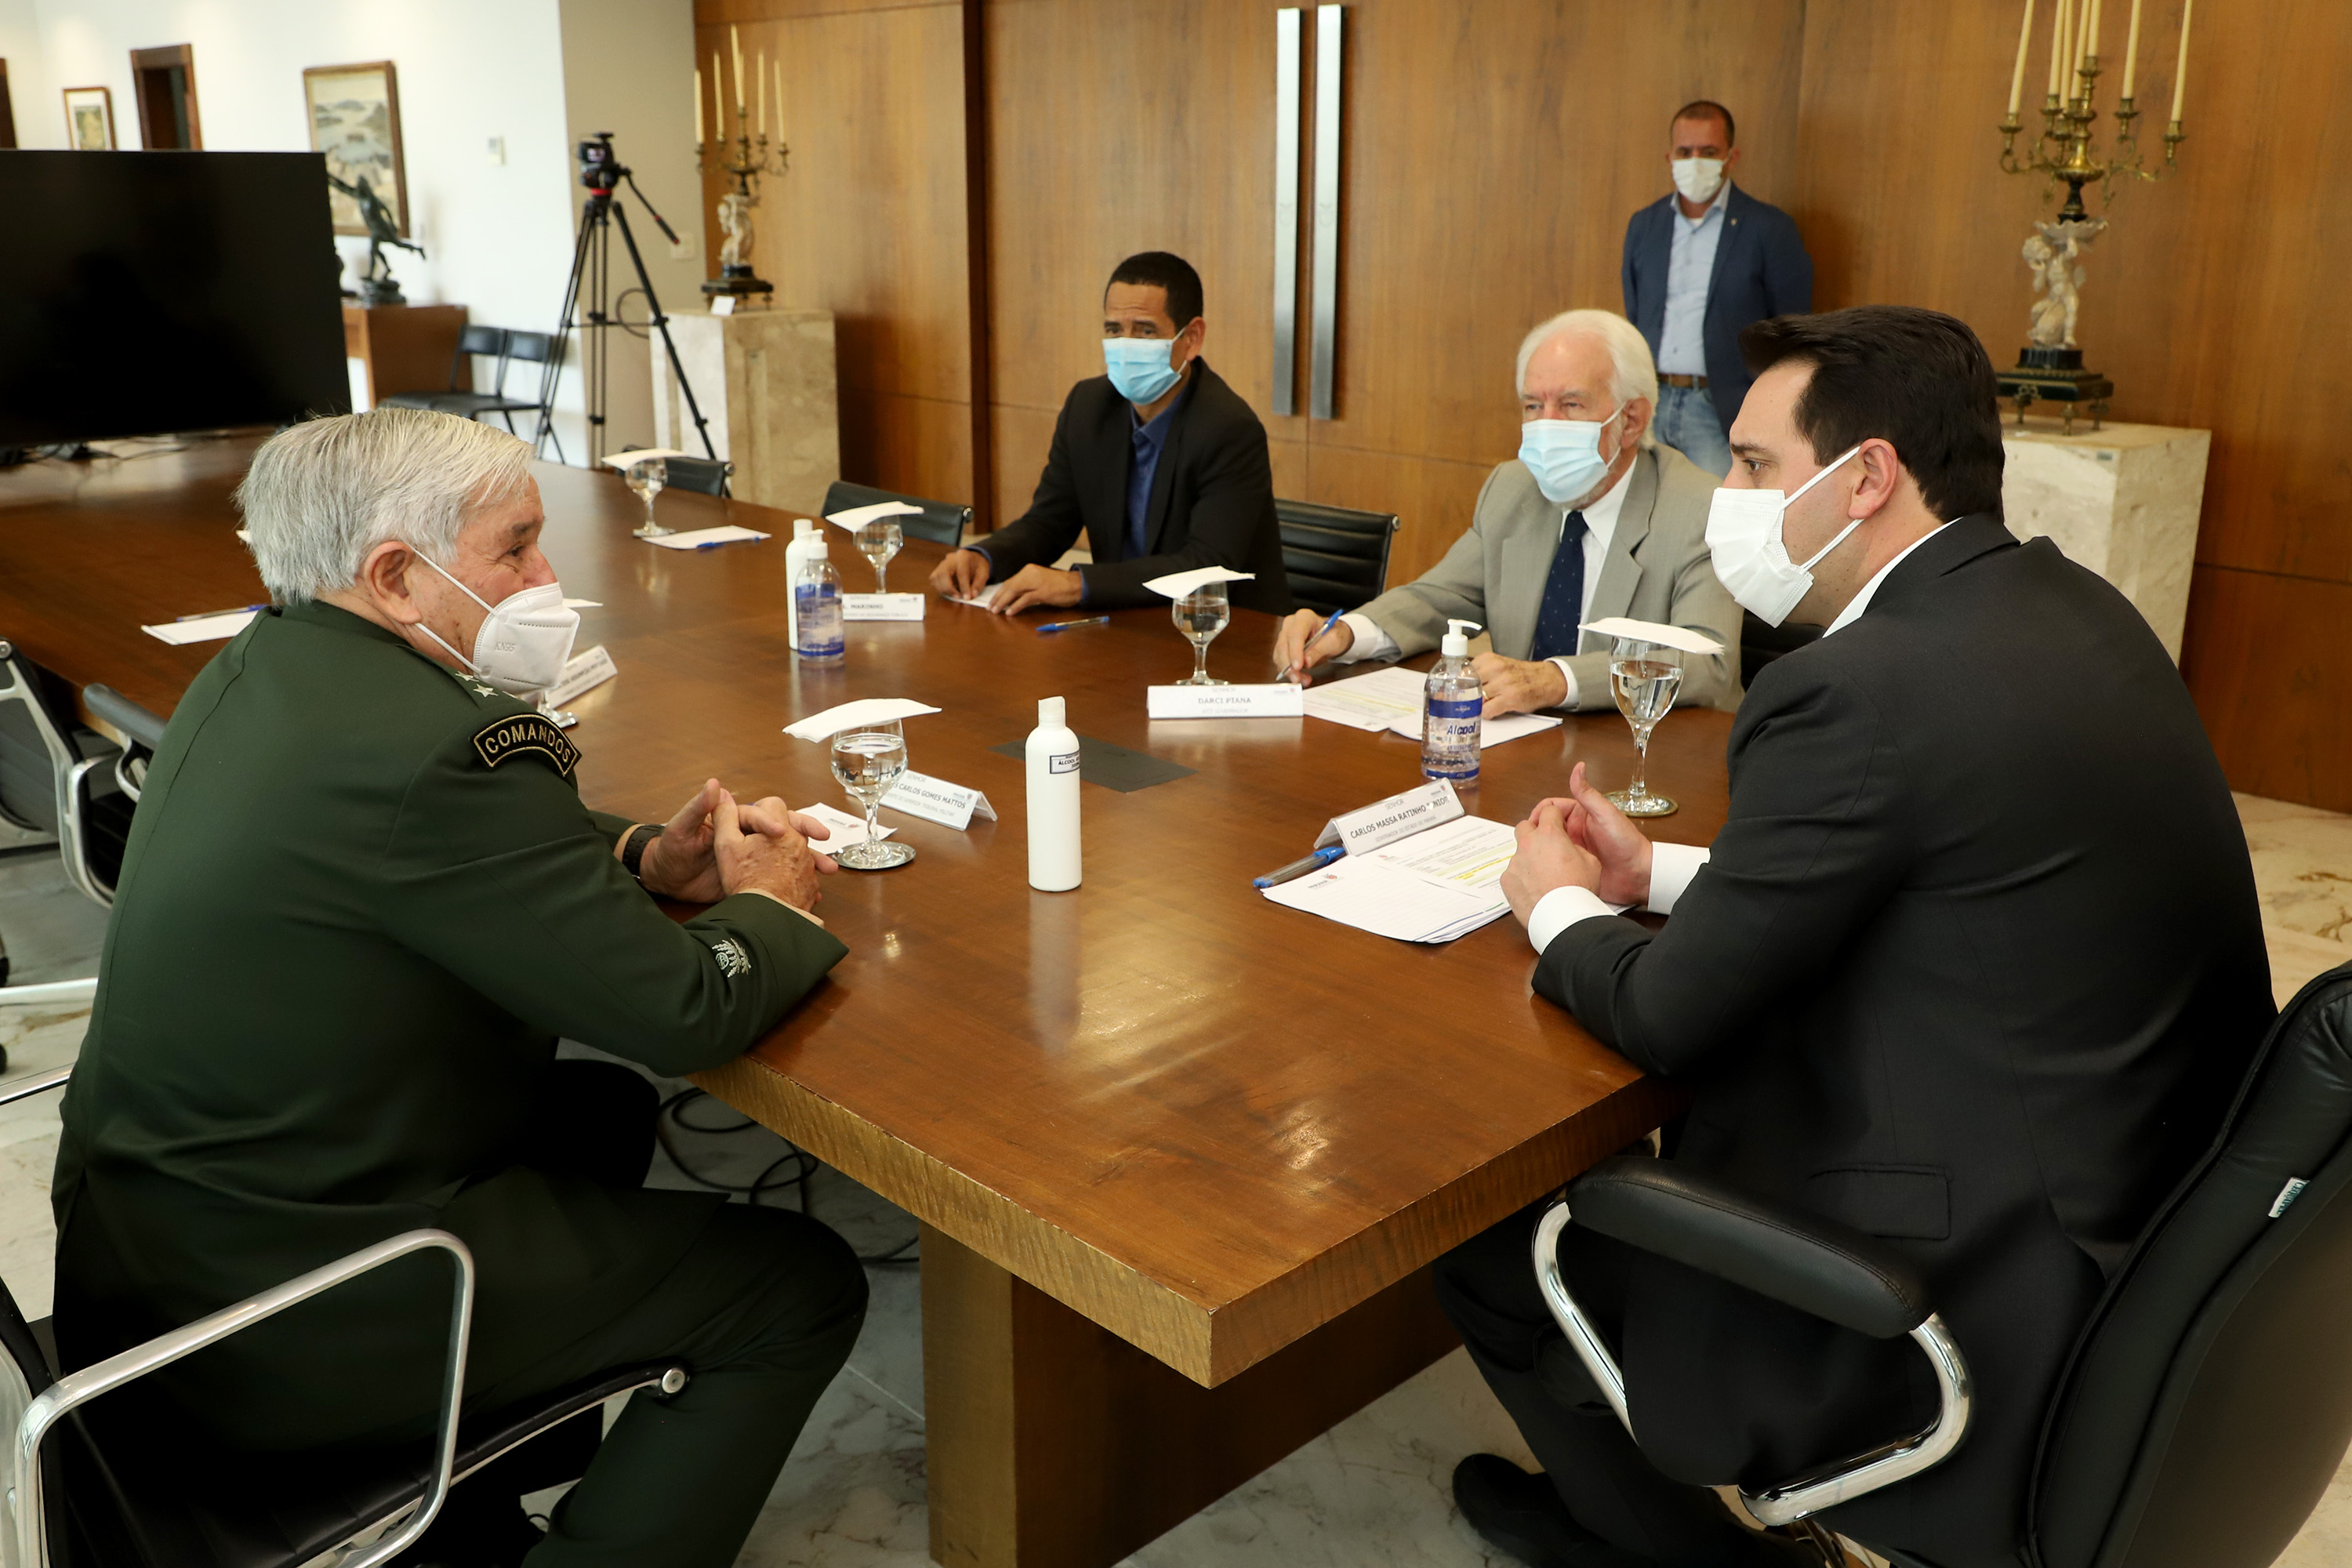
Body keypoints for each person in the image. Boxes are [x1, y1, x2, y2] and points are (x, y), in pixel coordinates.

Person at [1440, 307, 2273, 1568]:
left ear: (1868, 476)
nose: (1731, 496)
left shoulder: (1855, 684)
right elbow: (1920, 865)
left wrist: (1549, 896)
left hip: (1961, 1293)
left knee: (1491, 1239)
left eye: (1759, 466)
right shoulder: (2067, 610)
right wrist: (1652, 864)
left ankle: (1657, 1546)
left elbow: (1668, 1014)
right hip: (2128, 1221)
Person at [53, 408, 866, 1568]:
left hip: (146, 1256)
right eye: (518, 547)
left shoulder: (266, 664)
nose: (547, 577)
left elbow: (426, 834)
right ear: (395, 576)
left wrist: (642, 855)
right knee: (795, 1286)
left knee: (598, 1113)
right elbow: (686, 1013)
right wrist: (772, 902)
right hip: (274, 1321)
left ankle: (470, 1467)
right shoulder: (446, 748)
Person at [1269, 310, 1740, 717]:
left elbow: (1708, 664)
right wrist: (1349, 632)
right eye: (1533, 405)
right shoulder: (1512, 488)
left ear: (1631, 419)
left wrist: (1557, 680)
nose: (1546, 426)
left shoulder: (1698, 508)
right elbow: (1440, 597)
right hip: (1523, 746)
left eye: (1571, 404)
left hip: (1648, 763)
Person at [928, 250, 1292, 616]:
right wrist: (984, 556)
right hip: (1120, 626)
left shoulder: (1229, 428)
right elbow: (1049, 523)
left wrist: (1078, 584)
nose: (1125, 345)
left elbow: (1207, 565)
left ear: (1192, 338)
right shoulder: (1088, 407)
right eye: (1114, 330)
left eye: (1145, 330)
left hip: (1220, 635)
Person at [1621, 101, 1812, 477]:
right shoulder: (1645, 225)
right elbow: (1635, 311)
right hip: (1651, 404)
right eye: (1685, 152)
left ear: (1731, 157)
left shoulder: (1769, 229)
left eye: (1708, 153)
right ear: (1669, 156)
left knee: (1713, 524)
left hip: (1720, 409)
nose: (1695, 162)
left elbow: (1793, 332)